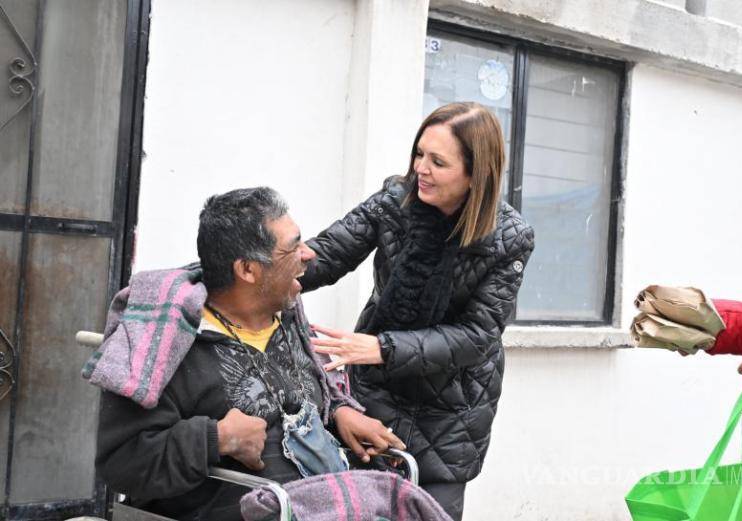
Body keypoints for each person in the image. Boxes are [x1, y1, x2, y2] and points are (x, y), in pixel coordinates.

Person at [95, 187, 403, 521]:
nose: (309, 254)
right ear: (248, 270)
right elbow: (123, 463)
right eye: (293, 247)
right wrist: (216, 439)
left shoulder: (288, 320)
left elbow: (303, 401)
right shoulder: (166, 343)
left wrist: (339, 412)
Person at [299, 102, 535, 520]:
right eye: (418, 154)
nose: (421, 169)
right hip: (375, 394)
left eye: (438, 161)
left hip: (452, 411)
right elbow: (329, 253)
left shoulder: (510, 237)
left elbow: (478, 336)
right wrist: (249, 268)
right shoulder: (396, 199)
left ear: (474, 172)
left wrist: (383, 348)